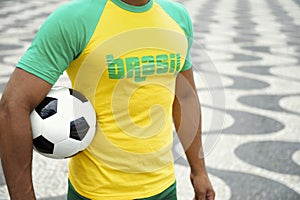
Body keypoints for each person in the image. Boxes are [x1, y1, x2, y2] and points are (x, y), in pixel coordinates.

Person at [0, 0, 215, 199]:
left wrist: (199, 170)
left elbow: (185, 97)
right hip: (95, 192)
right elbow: (12, 106)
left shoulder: (177, 17)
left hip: (164, 189)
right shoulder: (74, 19)